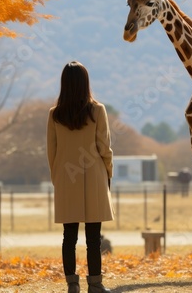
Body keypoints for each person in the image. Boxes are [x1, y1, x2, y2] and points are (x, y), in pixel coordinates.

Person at [47, 61, 114, 293]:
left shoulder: (55, 115)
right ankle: (95, 284)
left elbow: (51, 151)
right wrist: (109, 172)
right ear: (86, 83)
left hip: (66, 178)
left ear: (64, 84)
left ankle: (72, 284)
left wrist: (57, 178)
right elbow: (104, 147)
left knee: (69, 236)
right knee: (94, 237)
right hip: (94, 176)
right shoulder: (97, 111)